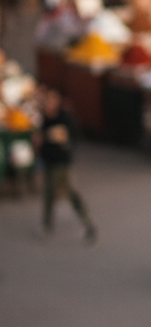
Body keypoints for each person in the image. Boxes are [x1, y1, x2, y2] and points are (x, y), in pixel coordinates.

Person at [38, 88, 96, 241]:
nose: (48, 102)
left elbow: (71, 139)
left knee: (68, 192)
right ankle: (47, 225)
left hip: (62, 163)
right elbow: (41, 138)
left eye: (51, 99)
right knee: (50, 194)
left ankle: (87, 223)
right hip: (49, 162)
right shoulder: (45, 118)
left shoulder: (65, 118)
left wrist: (61, 138)